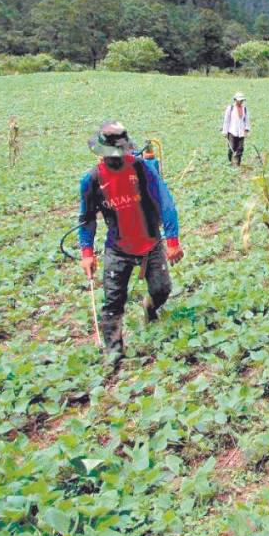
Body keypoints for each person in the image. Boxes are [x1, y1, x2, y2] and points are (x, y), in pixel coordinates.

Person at [78, 121, 184, 362]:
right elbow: (87, 219)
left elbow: (165, 202)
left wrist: (173, 240)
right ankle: (114, 351)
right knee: (113, 301)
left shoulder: (142, 169)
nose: (115, 158)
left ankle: (150, 306)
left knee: (162, 289)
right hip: (117, 247)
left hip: (150, 242)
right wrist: (86, 252)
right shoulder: (91, 181)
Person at [222, 91, 250, 165]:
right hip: (232, 131)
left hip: (241, 132)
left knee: (240, 148)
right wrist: (225, 131)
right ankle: (230, 162)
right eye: (239, 100)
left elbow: (246, 120)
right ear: (235, 100)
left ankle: (238, 163)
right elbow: (226, 120)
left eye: (242, 100)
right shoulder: (230, 108)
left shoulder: (244, 109)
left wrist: (246, 130)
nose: (241, 101)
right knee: (231, 148)